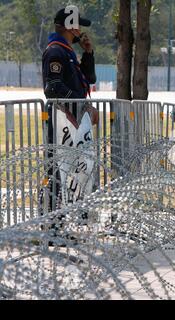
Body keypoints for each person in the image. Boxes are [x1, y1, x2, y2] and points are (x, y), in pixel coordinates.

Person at [40, 7, 99, 239]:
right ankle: (54, 226)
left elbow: (89, 79)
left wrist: (89, 53)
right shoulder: (56, 51)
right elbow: (52, 87)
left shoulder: (68, 52)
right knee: (58, 172)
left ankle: (61, 224)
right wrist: (82, 105)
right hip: (62, 120)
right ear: (70, 25)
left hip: (72, 120)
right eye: (78, 26)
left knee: (72, 171)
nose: (81, 30)